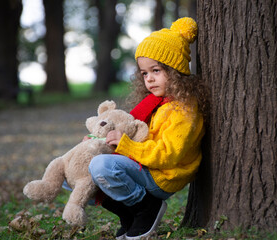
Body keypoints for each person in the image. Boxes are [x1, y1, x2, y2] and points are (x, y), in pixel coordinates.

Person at [88, 17, 209, 240]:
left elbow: (168, 155)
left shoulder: (183, 110)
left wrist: (125, 146)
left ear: (174, 71)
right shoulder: (155, 102)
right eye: (144, 73)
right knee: (82, 168)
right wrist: (101, 140)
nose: (149, 79)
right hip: (145, 166)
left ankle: (146, 208)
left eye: (156, 70)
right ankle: (129, 216)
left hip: (162, 175)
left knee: (100, 166)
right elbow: (133, 129)